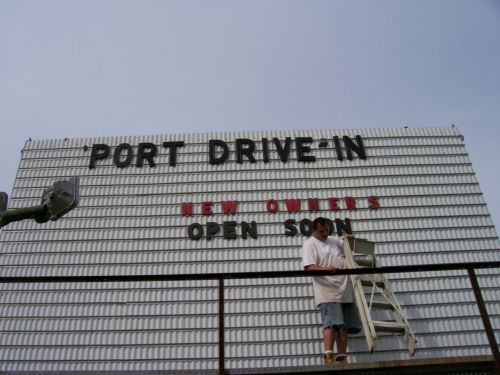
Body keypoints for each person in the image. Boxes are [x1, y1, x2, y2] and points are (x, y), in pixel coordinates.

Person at [300, 217, 361, 366]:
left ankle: (342, 356)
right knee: (331, 324)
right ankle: (328, 355)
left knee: (344, 326)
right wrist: (325, 269)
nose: (325, 233)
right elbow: (309, 266)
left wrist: (349, 241)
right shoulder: (309, 244)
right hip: (327, 289)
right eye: (322, 231)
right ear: (314, 230)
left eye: (327, 230)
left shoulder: (333, 241)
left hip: (344, 288)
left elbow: (348, 249)